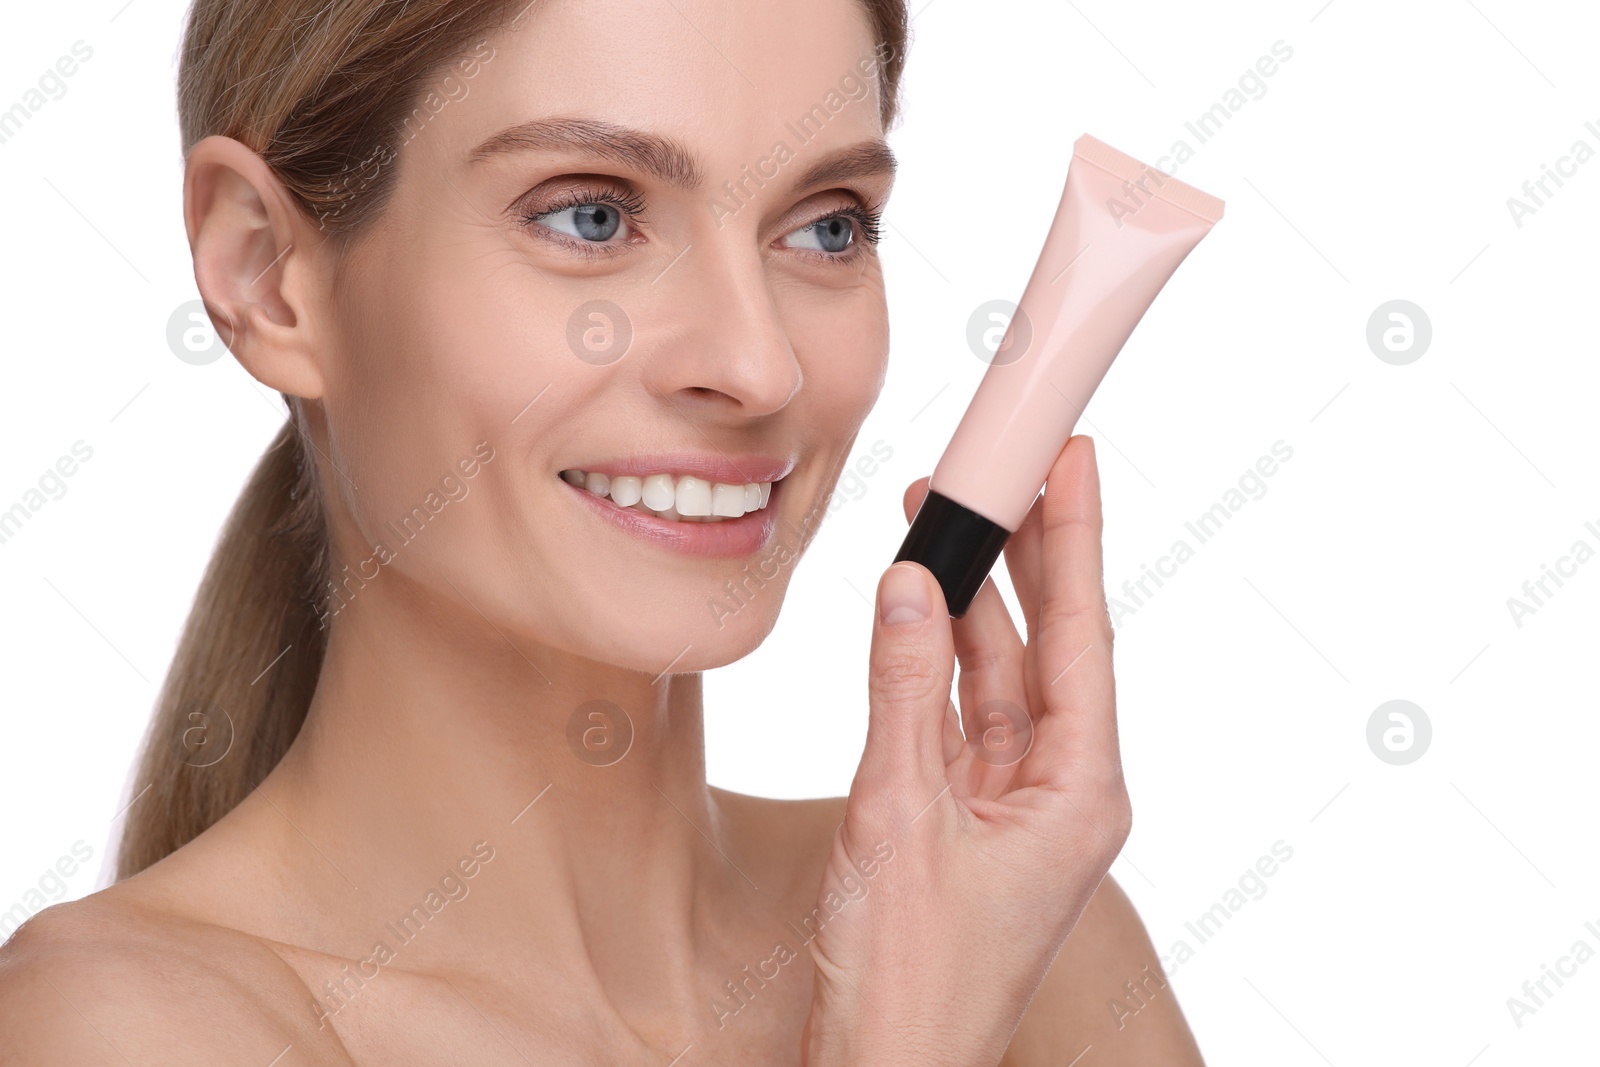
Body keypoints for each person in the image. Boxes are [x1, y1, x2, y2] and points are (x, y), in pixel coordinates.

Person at [0, 0, 1205, 1062]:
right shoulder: (120, 1026)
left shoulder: (1023, 938)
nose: (756, 362)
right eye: (588, 216)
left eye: (826, 225)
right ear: (267, 273)